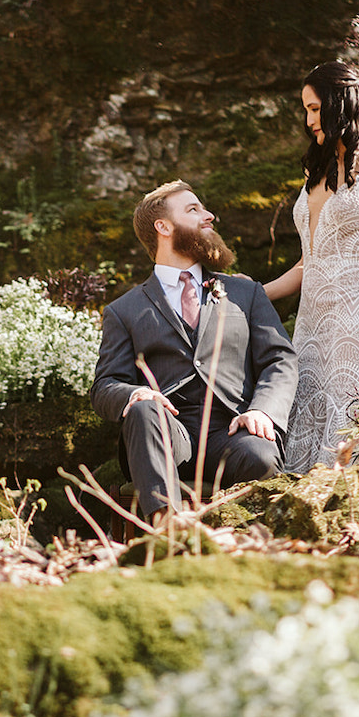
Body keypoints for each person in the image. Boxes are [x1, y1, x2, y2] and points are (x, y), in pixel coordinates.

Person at [91, 180, 298, 519]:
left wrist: (264, 411)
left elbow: (280, 360)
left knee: (261, 455)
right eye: (193, 209)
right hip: (166, 434)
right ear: (163, 227)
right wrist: (135, 394)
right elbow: (105, 385)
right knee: (144, 410)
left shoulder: (246, 294)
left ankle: (259, 553)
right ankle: (170, 535)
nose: (209, 216)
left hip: (233, 431)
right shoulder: (123, 311)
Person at [264, 61, 359, 474]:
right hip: (310, 325)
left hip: (358, 321)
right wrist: (255, 292)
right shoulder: (316, 175)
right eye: (306, 111)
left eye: (315, 109)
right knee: (302, 426)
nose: (310, 120)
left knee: (348, 433)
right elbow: (306, 263)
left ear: (339, 105)